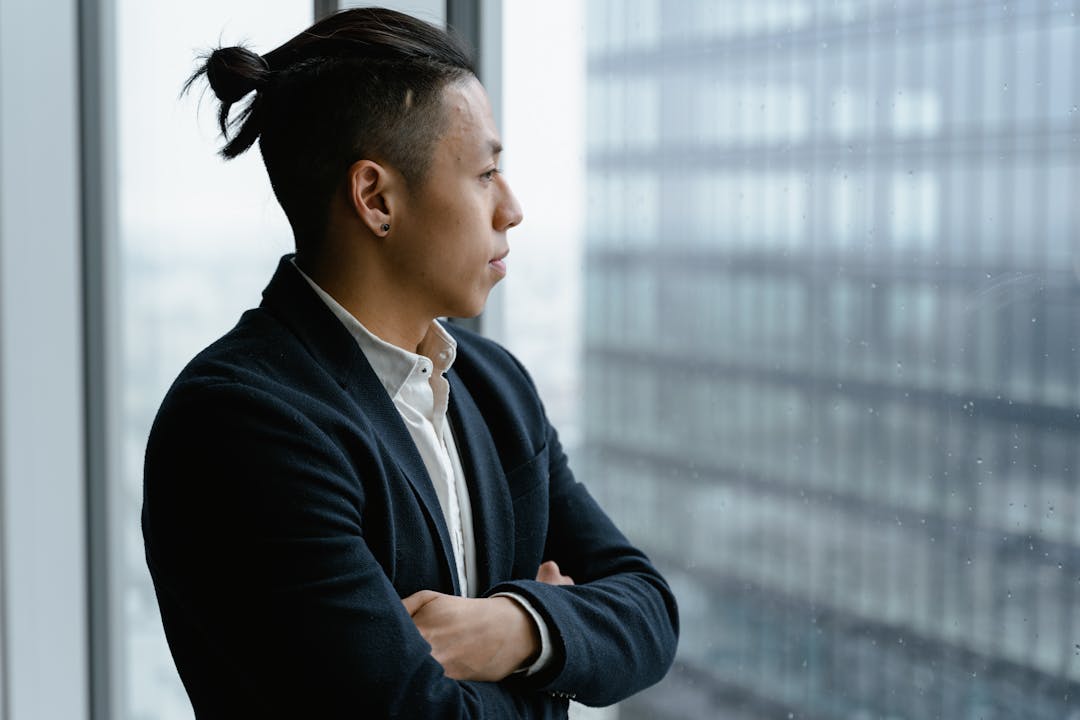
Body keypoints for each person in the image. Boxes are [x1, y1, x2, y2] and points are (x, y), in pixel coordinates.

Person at [142, 7, 678, 718]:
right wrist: (557, 667)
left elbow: (649, 613)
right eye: (486, 172)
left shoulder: (495, 388)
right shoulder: (242, 423)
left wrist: (515, 629)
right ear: (376, 199)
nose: (511, 209)